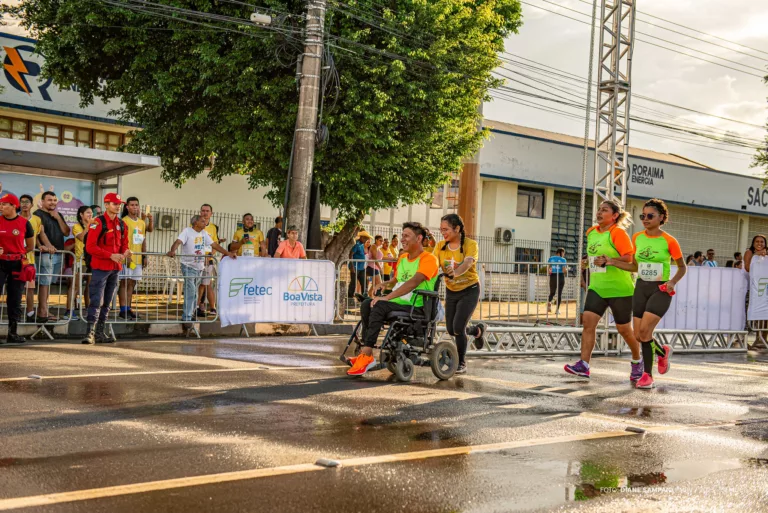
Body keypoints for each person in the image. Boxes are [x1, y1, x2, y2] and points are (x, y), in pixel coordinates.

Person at [347, 222, 440, 376]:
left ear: (419, 238)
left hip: (416, 306)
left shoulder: (429, 259)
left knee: (379, 305)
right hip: (399, 302)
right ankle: (364, 352)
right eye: (402, 235)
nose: (402, 239)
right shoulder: (403, 258)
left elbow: (413, 283)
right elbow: (397, 280)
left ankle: (367, 354)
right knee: (366, 304)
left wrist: (387, 298)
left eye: (406, 236)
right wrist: (385, 284)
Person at [564, 199, 643, 381]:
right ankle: (584, 365)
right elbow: (593, 257)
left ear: (615, 216)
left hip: (620, 290)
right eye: (599, 209)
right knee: (588, 324)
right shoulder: (591, 232)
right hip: (597, 287)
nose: (599, 212)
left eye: (604, 210)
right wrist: (586, 262)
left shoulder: (618, 234)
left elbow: (630, 259)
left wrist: (610, 260)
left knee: (624, 330)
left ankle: (638, 360)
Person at [612, 199, 684, 390]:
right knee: (638, 335)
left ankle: (647, 375)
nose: (645, 219)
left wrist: (672, 282)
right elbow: (634, 265)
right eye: (642, 216)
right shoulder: (637, 237)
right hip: (641, 288)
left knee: (645, 332)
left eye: (650, 216)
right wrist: (612, 262)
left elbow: (682, 268)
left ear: (661, 217)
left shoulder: (669, 240)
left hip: (660, 290)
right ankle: (662, 352)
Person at [435, 213, 487, 374]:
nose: (443, 233)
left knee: (458, 327)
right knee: (451, 329)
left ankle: (461, 363)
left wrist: (455, 273)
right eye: (441, 229)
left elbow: (467, 263)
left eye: (446, 229)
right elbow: (431, 264)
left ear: (457, 229)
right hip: (451, 291)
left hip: (469, 290)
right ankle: (477, 331)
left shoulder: (471, 244)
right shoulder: (440, 246)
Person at [167, 215, 235, 332]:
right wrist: (173, 250)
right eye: (202, 221)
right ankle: (187, 317)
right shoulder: (187, 231)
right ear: (196, 223)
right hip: (188, 265)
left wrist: (227, 253)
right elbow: (178, 241)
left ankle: (191, 313)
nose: (205, 223)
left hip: (199, 267)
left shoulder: (204, 233)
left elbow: (214, 245)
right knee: (191, 290)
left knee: (195, 292)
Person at [83, 193, 131, 345]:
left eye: (119, 204)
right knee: (96, 300)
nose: (118, 206)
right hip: (101, 267)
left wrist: (125, 252)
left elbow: (124, 244)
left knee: (107, 302)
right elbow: (90, 247)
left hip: (115, 268)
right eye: (115, 203)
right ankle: (90, 333)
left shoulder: (122, 224)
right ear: (106, 204)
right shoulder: (97, 222)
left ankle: (100, 333)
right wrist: (110, 255)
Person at [0, 193, 35, 344]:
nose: (1, 207)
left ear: (14, 206)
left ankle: (12, 333)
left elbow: (31, 246)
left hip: (17, 264)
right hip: (0, 263)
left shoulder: (24, 223)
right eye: (1, 204)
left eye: (5, 204)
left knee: (14, 299)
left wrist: (18, 253)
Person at [34, 191, 70, 323]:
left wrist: (58, 218)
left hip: (58, 254)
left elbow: (66, 232)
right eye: (49, 200)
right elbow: (37, 234)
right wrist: (46, 246)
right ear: (42, 201)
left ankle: (44, 309)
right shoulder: (38, 214)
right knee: (44, 283)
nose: (53, 202)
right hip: (45, 254)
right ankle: (42, 312)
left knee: (49, 283)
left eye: (55, 200)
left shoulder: (58, 214)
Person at [19, 194, 54, 323]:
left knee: (30, 287)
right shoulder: (15, 218)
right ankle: (15, 311)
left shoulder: (37, 219)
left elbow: (40, 235)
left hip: (30, 259)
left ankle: (30, 313)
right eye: (22, 202)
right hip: (15, 258)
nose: (24, 204)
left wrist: (49, 246)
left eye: (27, 202)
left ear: (32, 204)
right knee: (15, 287)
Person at [119, 197, 152, 320]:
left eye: (136, 205)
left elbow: (143, 240)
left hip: (137, 259)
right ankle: (122, 309)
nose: (135, 207)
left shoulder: (142, 222)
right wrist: (125, 256)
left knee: (132, 284)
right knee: (124, 282)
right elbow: (121, 240)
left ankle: (128, 307)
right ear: (127, 207)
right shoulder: (124, 221)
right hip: (127, 258)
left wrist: (144, 256)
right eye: (132, 205)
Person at [197, 204, 225, 318]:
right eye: (203, 210)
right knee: (197, 284)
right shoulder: (195, 225)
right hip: (197, 259)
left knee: (207, 283)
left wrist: (209, 256)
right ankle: (198, 305)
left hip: (208, 260)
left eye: (207, 211)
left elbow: (215, 244)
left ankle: (211, 307)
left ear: (211, 213)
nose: (205, 213)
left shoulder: (213, 227)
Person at [71, 206, 93, 317]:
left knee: (90, 286)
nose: (90, 215)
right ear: (81, 214)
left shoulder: (94, 226)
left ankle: (89, 309)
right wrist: (89, 226)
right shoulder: (76, 227)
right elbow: (82, 238)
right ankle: (70, 310)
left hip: (91, 260)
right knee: (75, 286)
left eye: (91, 213)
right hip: (80, 260)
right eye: (88, 213)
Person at [348, 231, 370, 299]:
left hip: (361, 267)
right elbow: (350, 254)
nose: (366, 240)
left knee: (364, 283)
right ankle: (350, 297)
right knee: (353, 283)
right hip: (355, 267)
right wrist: (352, 266)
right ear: (362, 237)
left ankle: (364, 298)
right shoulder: (356, 244)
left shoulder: (362, 244)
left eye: (367, 238)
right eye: (365, 238)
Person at [547, 247, 568, 315]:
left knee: (552, 292)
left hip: (553, 276)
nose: (563, 255)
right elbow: (564, 270)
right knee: (559, 293)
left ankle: (549, 302)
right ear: (561, 252)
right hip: (560, 276)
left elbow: (549, 269)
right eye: (563, 253)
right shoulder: (563, 259)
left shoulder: (551, 258)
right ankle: (557, 310)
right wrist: (567, 272)